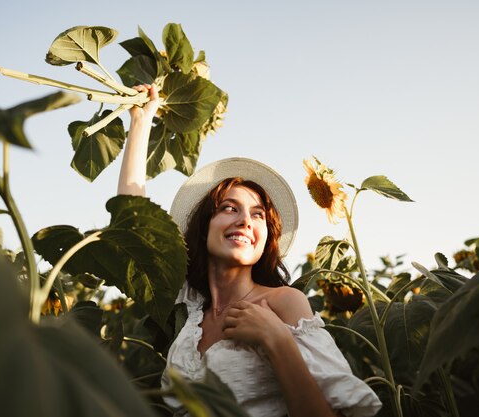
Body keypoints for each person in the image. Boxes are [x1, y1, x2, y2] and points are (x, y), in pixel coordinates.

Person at [118, 84, 382, 417]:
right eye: (229, 208)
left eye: (258, 214)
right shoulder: (191, 307)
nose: (245, 220)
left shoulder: (283, 303)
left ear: (265, 236)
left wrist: (277, 340)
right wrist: (141, 122)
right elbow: (134, 224)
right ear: (203, 227)